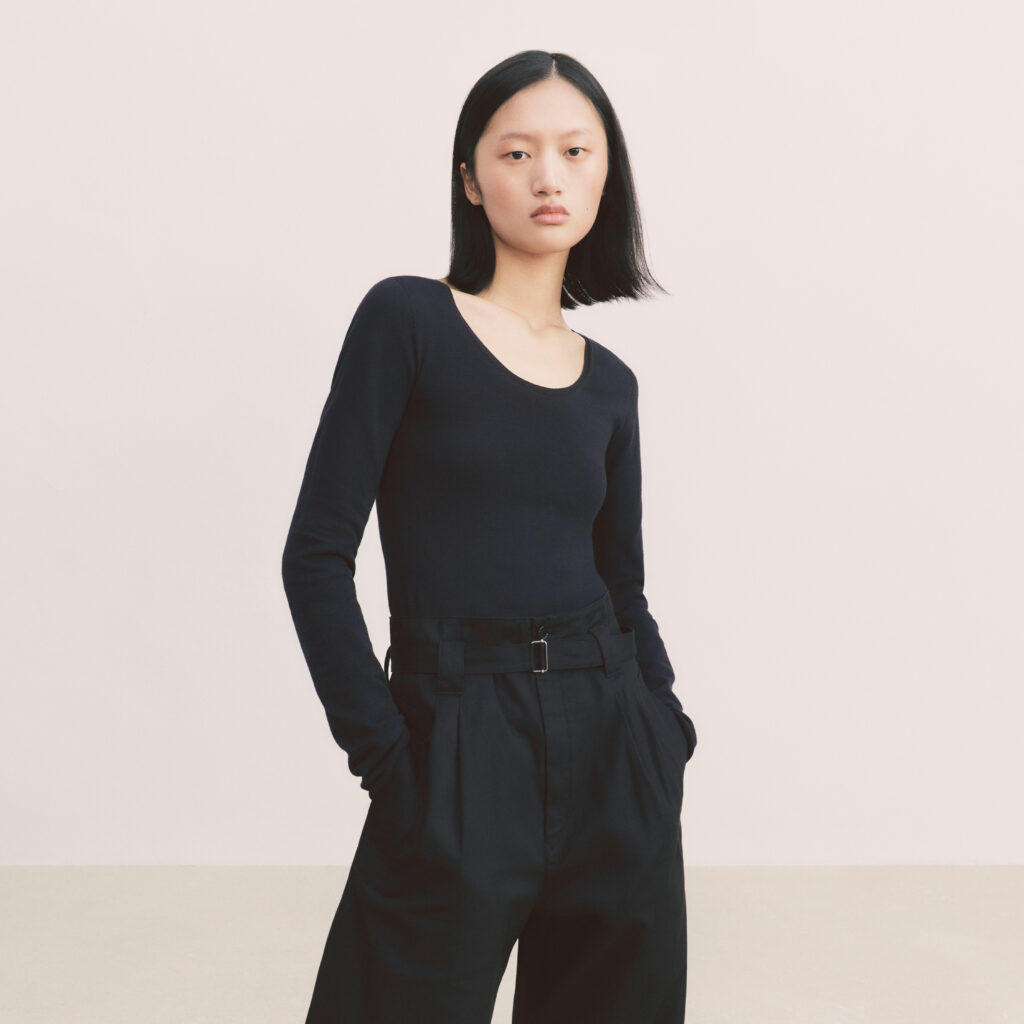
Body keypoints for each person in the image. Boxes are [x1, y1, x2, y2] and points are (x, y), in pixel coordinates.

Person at [281, 48, 698, 1024]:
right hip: (458, 738)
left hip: (614, 744)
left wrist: (665, 732)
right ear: (470, 179)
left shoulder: (610, 383)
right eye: (516, 152)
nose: (548, 176)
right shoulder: (408, 319)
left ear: (606, 174)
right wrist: (389, 760)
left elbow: (623, 587)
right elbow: (315, 557)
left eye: (575, 151)